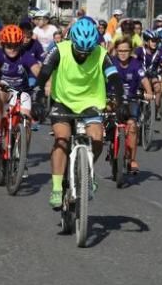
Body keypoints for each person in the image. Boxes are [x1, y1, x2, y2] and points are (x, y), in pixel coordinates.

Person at [34, 16, 122, 209]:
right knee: (62, 138)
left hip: (90, 102)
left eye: (87, 52)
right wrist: (37, 97)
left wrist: (120, 101)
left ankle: (87, 172)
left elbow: (114, 77)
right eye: (80, 51)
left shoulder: (100, 53)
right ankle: (57, 188)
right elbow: (44, 73)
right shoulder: (59, 50)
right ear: (72, 42)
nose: (83, 55)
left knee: (97, 138)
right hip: (63, 102)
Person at [0, 24, 41, 143]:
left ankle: (22, 152)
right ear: (3, 44)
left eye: (15, 45)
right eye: (9, 46)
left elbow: (36, 69)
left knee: (26, 121)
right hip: (4, 88)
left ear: (20, 44)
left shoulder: (25, 55)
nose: (12, 49)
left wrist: (45, 84)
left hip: (22, 92)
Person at [110, 37, 155, 174]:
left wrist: (149, 93)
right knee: (105, 122)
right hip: (113, 99)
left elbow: (144, 79)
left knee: (133, 127)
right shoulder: (111, 63)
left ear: (131, 51)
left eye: (126, 50)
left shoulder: (136, 64)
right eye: (120, 51)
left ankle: (133, 159)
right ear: (116, 51)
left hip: (131, 100)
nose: (123, 53)